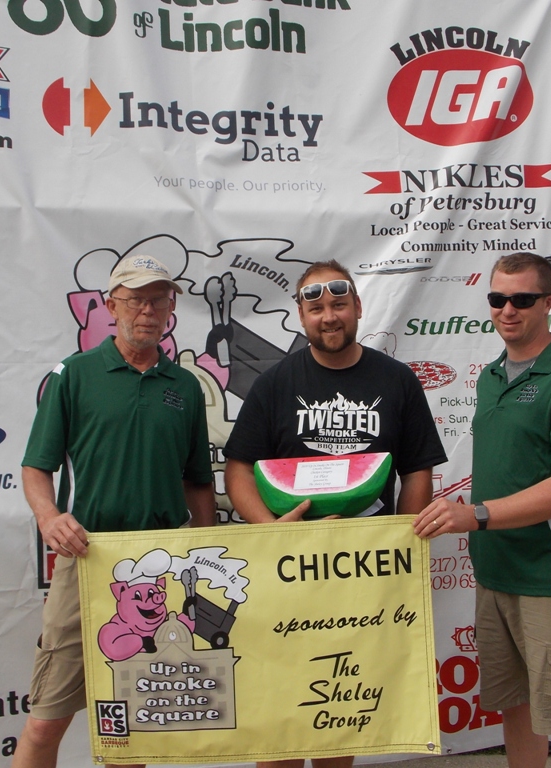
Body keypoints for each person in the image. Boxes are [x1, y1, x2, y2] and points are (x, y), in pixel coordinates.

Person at [224, 259, 447, 768]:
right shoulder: (274, 383)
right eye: (317, 307)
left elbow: (417, 470)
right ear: (301, 315)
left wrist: (400, 541)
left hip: (363, 575)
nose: (329, 316)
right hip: (288, 573)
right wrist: (273, 531)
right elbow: (238, 471)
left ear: (358, 308)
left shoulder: (397, 380)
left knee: (340, 710)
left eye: (339, 305)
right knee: (281, 716)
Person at [11, 255, 217, 768]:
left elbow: (198, 481)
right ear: (111, 305)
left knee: (134, 723)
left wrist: (207, 554)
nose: (147, 311)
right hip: (87, 559)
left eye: (158, 300)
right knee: (45, 719)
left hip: (161, 567)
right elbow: (36, 468)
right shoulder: (74, 375)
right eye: (135, 299)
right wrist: (48, 517)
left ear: (171, 308)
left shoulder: (185, 386)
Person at [413, 252, 551, 768]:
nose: (508, 310)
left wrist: (475, 515)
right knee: (516, 710)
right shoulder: (492, 376)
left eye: (522, 299)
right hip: (496, 574)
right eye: (498, 299)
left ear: (548, 302)